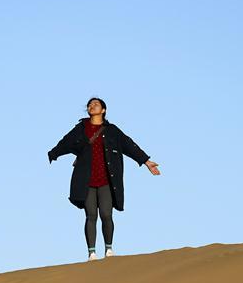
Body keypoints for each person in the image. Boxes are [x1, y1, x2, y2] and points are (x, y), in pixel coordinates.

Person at [47, 97, 160, 261]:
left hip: (107, 179)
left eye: (96, 104)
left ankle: (109, 249)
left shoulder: (112, 130)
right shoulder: (80, 129)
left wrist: (146, 161)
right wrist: (53, 153)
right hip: (86, 180)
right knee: (91, 215)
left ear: (104, 110)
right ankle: (91, 253)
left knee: (106, 214)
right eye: (90, 104)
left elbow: (129, 145)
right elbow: (66, 142)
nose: (92, 106)